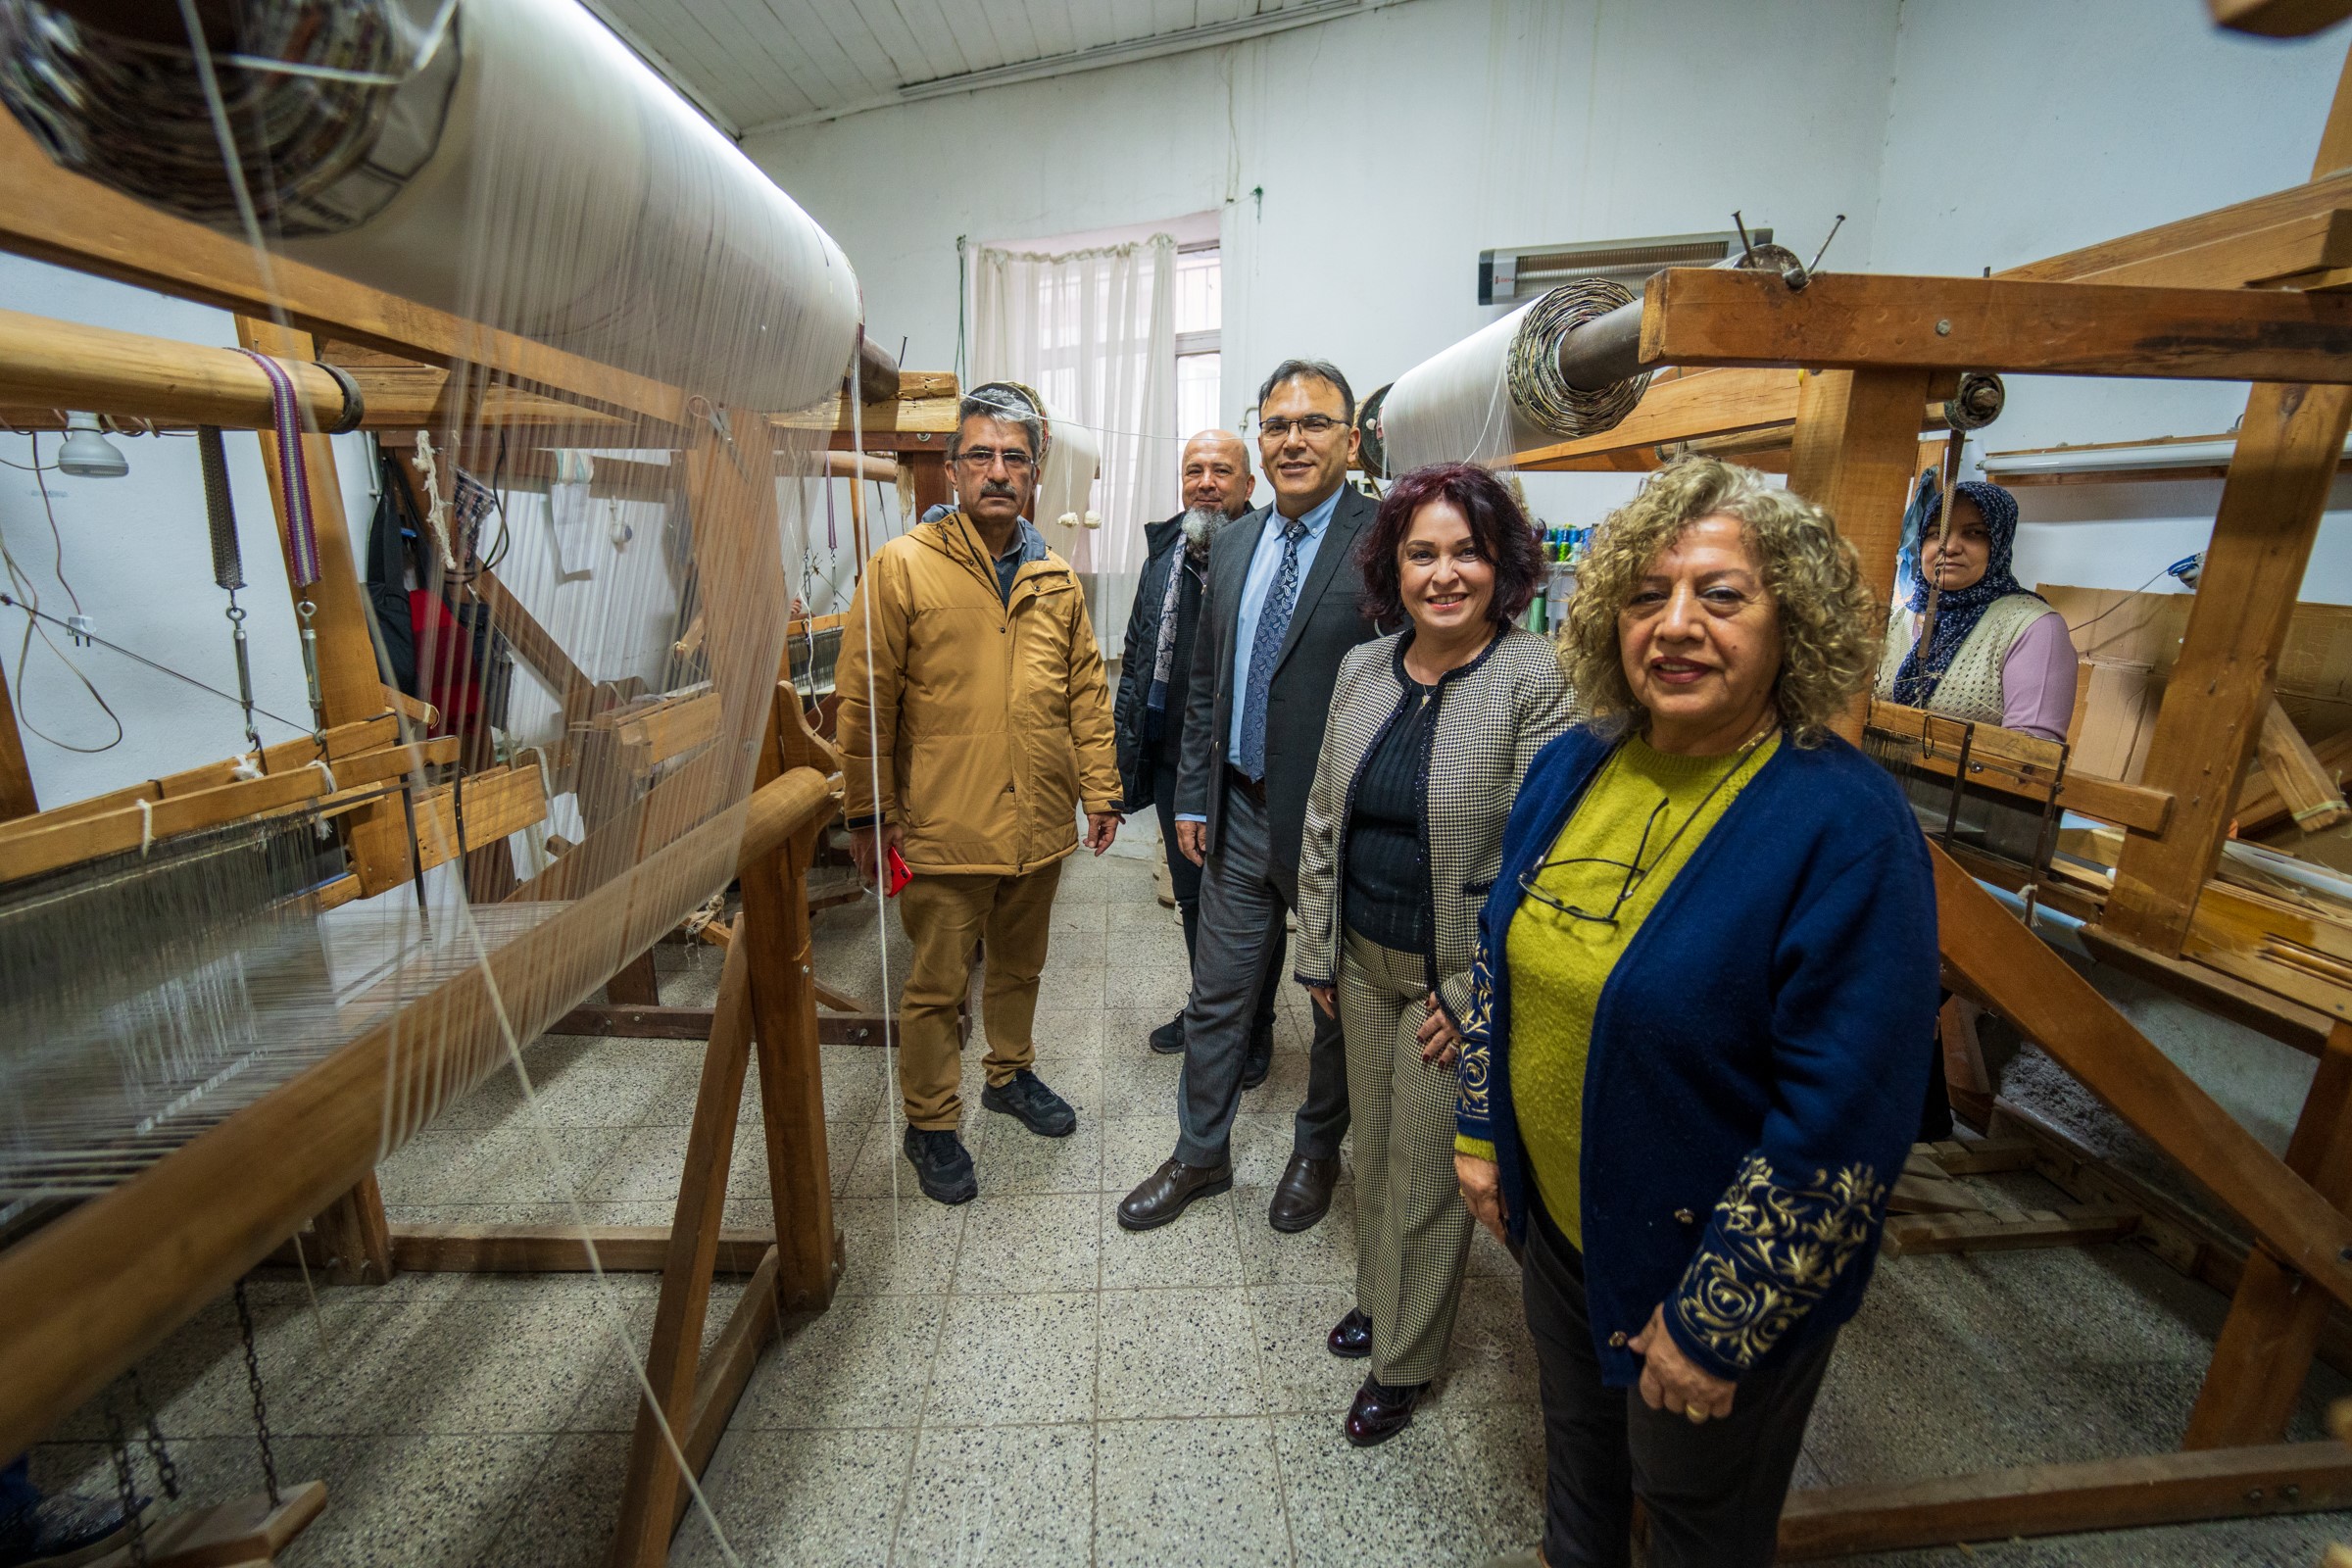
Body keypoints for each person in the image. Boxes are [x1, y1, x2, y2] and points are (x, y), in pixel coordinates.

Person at [1449, 457, 1938, 1568]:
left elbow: (1846, 1120)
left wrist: (1721, 1316)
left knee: (1694, 1517)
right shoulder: (1578, 762)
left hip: (1700, 1265)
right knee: (1578, 1466)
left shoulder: (1844, 826)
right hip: (1566, 1234)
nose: (1674, 626)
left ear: (1792, 625)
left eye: (1721, 596)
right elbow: (1502, 957)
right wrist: (1484, 1135)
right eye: (1645, 595)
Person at [1292, 462, 1574, 1447]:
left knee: (1427, 1181)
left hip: (1450, 981)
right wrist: (1317, 953)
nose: (1445, 574)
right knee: (1375, 1156)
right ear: (1395, 566)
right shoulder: (1366, 667)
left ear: (1503, 564)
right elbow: (1325, 815)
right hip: (1359, 962)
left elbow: (1544, 861)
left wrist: (1473, 989)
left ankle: (1403, 1364)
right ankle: (1384, 1299)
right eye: (1423, 553)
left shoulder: (1535, 678)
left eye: (1468, 552)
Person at [836, 383, 1122, 1206]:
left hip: (1037, 821)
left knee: (1020, 969)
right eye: (981, 457)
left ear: (1033, 477)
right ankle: (930, 1121)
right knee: (935, 985)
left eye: (1015, 459)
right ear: (954, 472)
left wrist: (1099, 791)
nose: (998, 472)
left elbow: (1085, 696)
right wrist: (868, 813)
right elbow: (867, 701)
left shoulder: (1057, 578)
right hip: (942, 824)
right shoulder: (901, 567)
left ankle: (1009, 1074)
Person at [1117, 360, 1380, 1236]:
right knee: (1219, 992)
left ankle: (1316, 1150)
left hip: (1338, 823)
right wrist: (1192, 795)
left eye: (1314, 423)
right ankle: (1201, 1155)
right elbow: (1204, 684)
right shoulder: (1230, 544)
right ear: (1259, 442)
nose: (1293, 439)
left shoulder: (1384, 541)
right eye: (1277, 425)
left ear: (1349, 436)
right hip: (1235, 811)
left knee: (1332, 999)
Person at [1112, 429, 1285, 1082]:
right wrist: (1121, 756)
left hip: (1241, 764)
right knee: (1190, 897)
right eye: (1194, 470)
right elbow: (1137, 657)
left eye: (1222, 470)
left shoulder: (1268, 555)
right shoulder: (1165, 551)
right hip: (1171, 757)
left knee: (1248, 903)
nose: (1206, 482)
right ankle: (1209, 1010)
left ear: (1249, 485)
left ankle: (1257, 1025)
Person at [1875, 478, 2075, 742]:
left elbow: (2029, 760)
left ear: (1999, 544)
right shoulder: (1892, 620)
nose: (1950, 547)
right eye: (1936, 533)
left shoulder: (2033, 627)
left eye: (1974, 533)